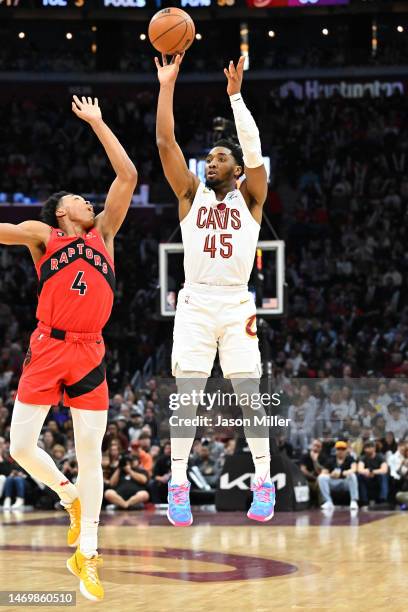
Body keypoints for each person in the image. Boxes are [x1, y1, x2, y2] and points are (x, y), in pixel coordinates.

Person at [0, 96, 137, 601]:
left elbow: (127, 177)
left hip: (90, 351)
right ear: (61, 210)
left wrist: (99, 122)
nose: (88, 200)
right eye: (78, 197)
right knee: (18, 447)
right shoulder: (44, 236)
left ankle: (89, 554)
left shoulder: (104, 232)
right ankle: (68, 496)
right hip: (48, 345)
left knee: (91, 455)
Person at [155, 53, 272, 526]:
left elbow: (255, 149)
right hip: (196, 301)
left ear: (237, 170)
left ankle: (263, 483)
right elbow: (166, 141)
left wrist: (236, 97)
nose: (210, 161)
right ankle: (178, 480)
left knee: (249, 394)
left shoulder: (251, 196)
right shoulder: (190, 194)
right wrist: (168, 84)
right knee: (188, 393)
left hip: (237, 301)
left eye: (219, 158)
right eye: (208, 157)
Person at [317, 441, 359, 511]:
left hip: (345, 483)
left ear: (346, 450)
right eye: (339, 449)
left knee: (352, 475)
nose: (340, 451)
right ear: (335, 450)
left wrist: (342, 473)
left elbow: (354, 469)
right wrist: (331, 475)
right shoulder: (331, 459)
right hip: (334, 482)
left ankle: (353, 501)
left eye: (343, 449)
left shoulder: (350, 458)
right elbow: (323, 472)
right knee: (321, 477)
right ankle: (328, 501)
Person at [357, 441, 389, 506]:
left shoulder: (380, 457)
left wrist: (372, 472)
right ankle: (364, 501)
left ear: (374, 448)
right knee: (360, 476)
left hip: (377, 477)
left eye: (369, 447)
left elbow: (384, 470)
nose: (367, 449)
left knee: (383, 476)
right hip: (367, 477)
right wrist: (366, 472)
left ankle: (383, 499)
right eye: (366, 448)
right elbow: (360, 469)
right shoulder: (363, 457)